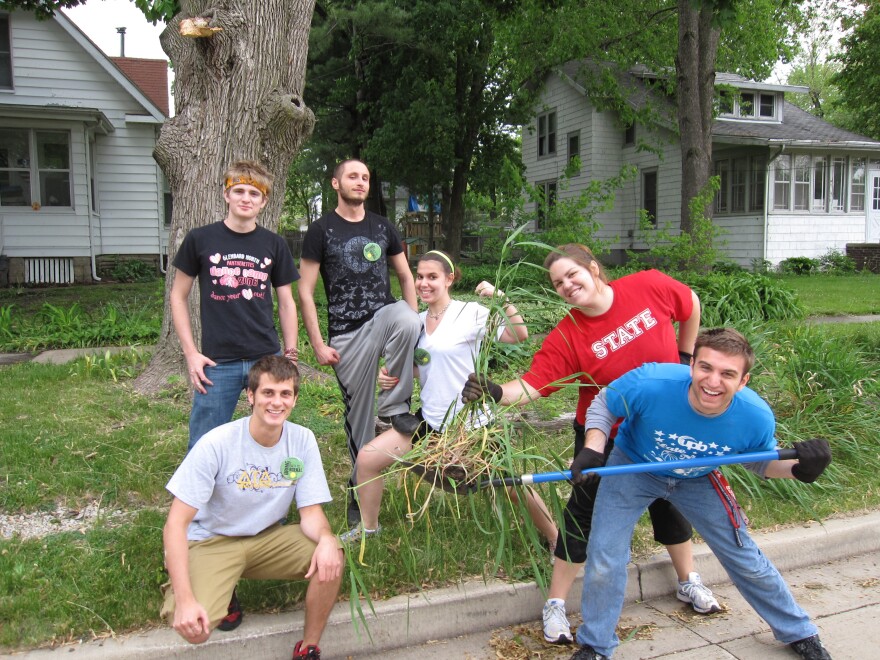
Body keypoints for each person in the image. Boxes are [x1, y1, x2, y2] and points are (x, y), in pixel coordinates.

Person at [462, 243, 714, 645]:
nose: (566, 285)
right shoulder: (569, 335)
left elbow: (691, 303)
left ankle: (687, 580)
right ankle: (556, 603)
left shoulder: (649, 286)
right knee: (582, 512)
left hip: (662, 426)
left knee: (669, 499)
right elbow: (533, 384)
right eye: (558, 283)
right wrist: (494, 391)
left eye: (572, 275)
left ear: (594, 269)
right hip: (603, 436)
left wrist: (685, 356)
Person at [569, 328, 833, 660]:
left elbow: (761, 463)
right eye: (705, 367)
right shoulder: (652, 383)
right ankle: (595, 644)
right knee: (605, 556)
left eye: (728, 374)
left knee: (744, 555)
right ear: (692, 364)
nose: (713, 381)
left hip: (698, 478)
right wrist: (594, 447)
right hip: (634, 466)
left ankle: (800, 632)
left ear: (743, 381)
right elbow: (603, 403)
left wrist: (799, 469)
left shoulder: (755, 416)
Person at [340, 250, 558, 549]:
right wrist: (388, 375)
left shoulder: (470, 313)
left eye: (433, 277)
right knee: (367, 459)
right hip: (430, 422)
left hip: (472, 424)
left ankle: (555, 539)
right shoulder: (414, 322)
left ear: (449, 279)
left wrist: (502, 298)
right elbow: (421, 366)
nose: (424, 283)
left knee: (510, 486)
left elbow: (518, 334)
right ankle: (368, 531)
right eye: (420, 277)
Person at [160, 356, 343, 660]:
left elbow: (311, 512)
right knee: (197, 630)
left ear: (295, 399)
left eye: (285, 394)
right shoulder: (217, 443)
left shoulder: (303, 440)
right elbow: (175, 524)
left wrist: (326, 539)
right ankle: (182, 577)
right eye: (267, 393)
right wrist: (186, 599)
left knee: (331, 555)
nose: (276, 402)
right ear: (251, 396)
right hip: (212, 540)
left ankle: (309, 647)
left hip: (266, 538)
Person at [299, 158, 421, 526]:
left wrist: (416, 331)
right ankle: (358, 491)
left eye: (366, 177)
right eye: (353, 176)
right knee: (359, 421)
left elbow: (404, 275)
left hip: (382, 319)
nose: (360, 182)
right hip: (346, 335)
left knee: (405, 315)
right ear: (336, 183)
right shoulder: (320, 230)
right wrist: (319, 344)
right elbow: (304, 291)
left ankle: (395, 406)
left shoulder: (383, 226)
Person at [170, 159, 300, 453]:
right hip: (217, 360)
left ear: (264, 201)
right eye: (239, 191)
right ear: (227, 195)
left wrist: (289, 355)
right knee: (205, 442)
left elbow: (286, 302)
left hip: (265, 355)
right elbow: (178, 296)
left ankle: (264, 484)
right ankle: (199, 493)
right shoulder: (200, 239)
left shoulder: (274, 244)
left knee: (272, 432)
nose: (246, 198)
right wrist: (191, 354)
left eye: (254, 194)